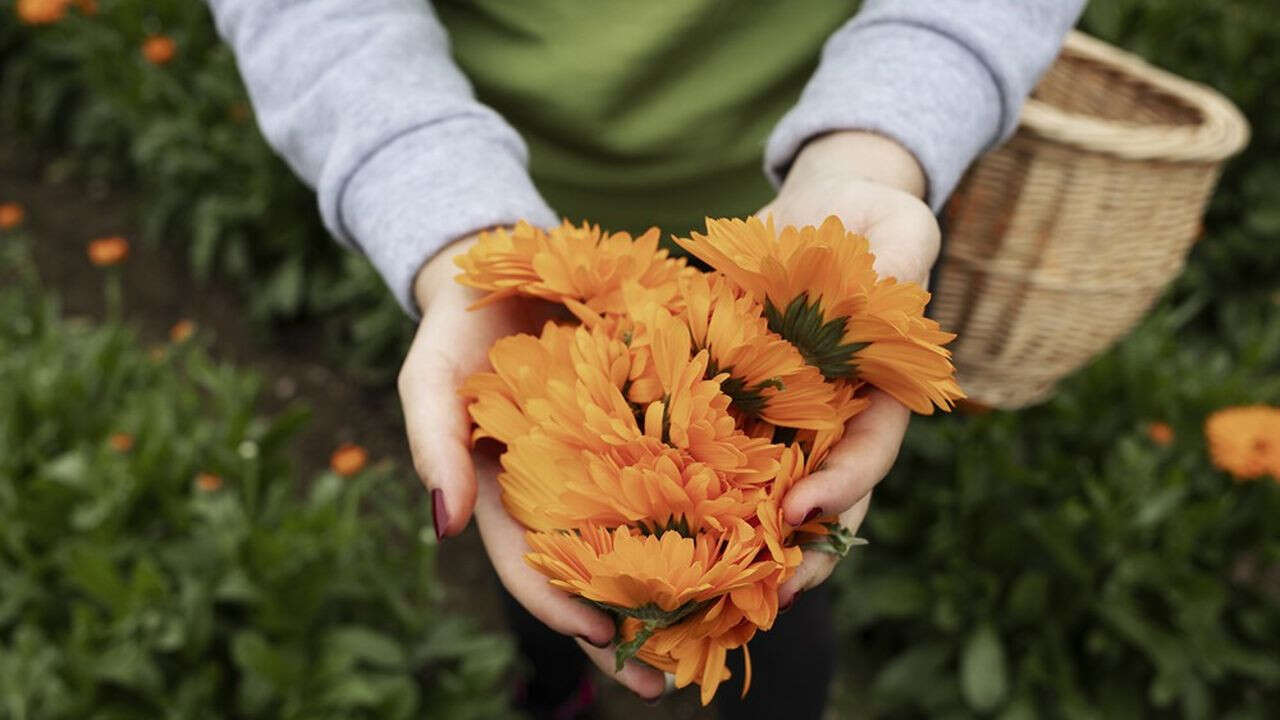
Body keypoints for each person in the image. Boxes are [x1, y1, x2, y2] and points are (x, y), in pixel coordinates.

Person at [206, 1, 1084, 716]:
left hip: (807, 206)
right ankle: (554, 686)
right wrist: (455, 234)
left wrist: (873, 153)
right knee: (542, 548)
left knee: (782, 567)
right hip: (496, 206)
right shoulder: (530, 341)